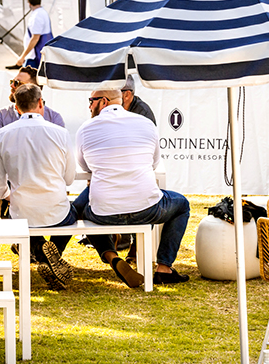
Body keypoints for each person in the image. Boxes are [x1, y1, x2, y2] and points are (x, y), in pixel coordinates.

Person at [74, 88, 191, 288]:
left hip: (104, 214)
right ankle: (164, 268)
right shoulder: (146, 124)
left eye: (90, 101)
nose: (88, 106)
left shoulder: (86, 128)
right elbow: (154, 164)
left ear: (103, 101)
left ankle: (112, 257)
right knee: (182, 205)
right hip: (147, 210)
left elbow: (85, 168)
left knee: (82, 210)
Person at [0, 83, 77, 289]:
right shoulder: (60, 133)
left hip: (21, 213)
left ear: (17, 108)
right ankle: (50, 256)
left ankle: (39, 252)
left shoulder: (2, 135)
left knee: (21, 219)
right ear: (40, 103)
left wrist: (11, 196)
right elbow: (69, 179)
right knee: (74, 212)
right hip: (57, 212)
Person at [0, 66, 65, 137]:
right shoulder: (1, 116)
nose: (12, 85)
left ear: (33, 89)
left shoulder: (54, 118)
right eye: (12, 82)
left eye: (17, 83)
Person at [11, 0, 53, 70]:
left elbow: (35, 38)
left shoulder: (36, 16)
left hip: (34, 57)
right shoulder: (43, 13)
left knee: (24, 80)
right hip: (39, 54)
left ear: (29, 3)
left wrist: (22, 57)